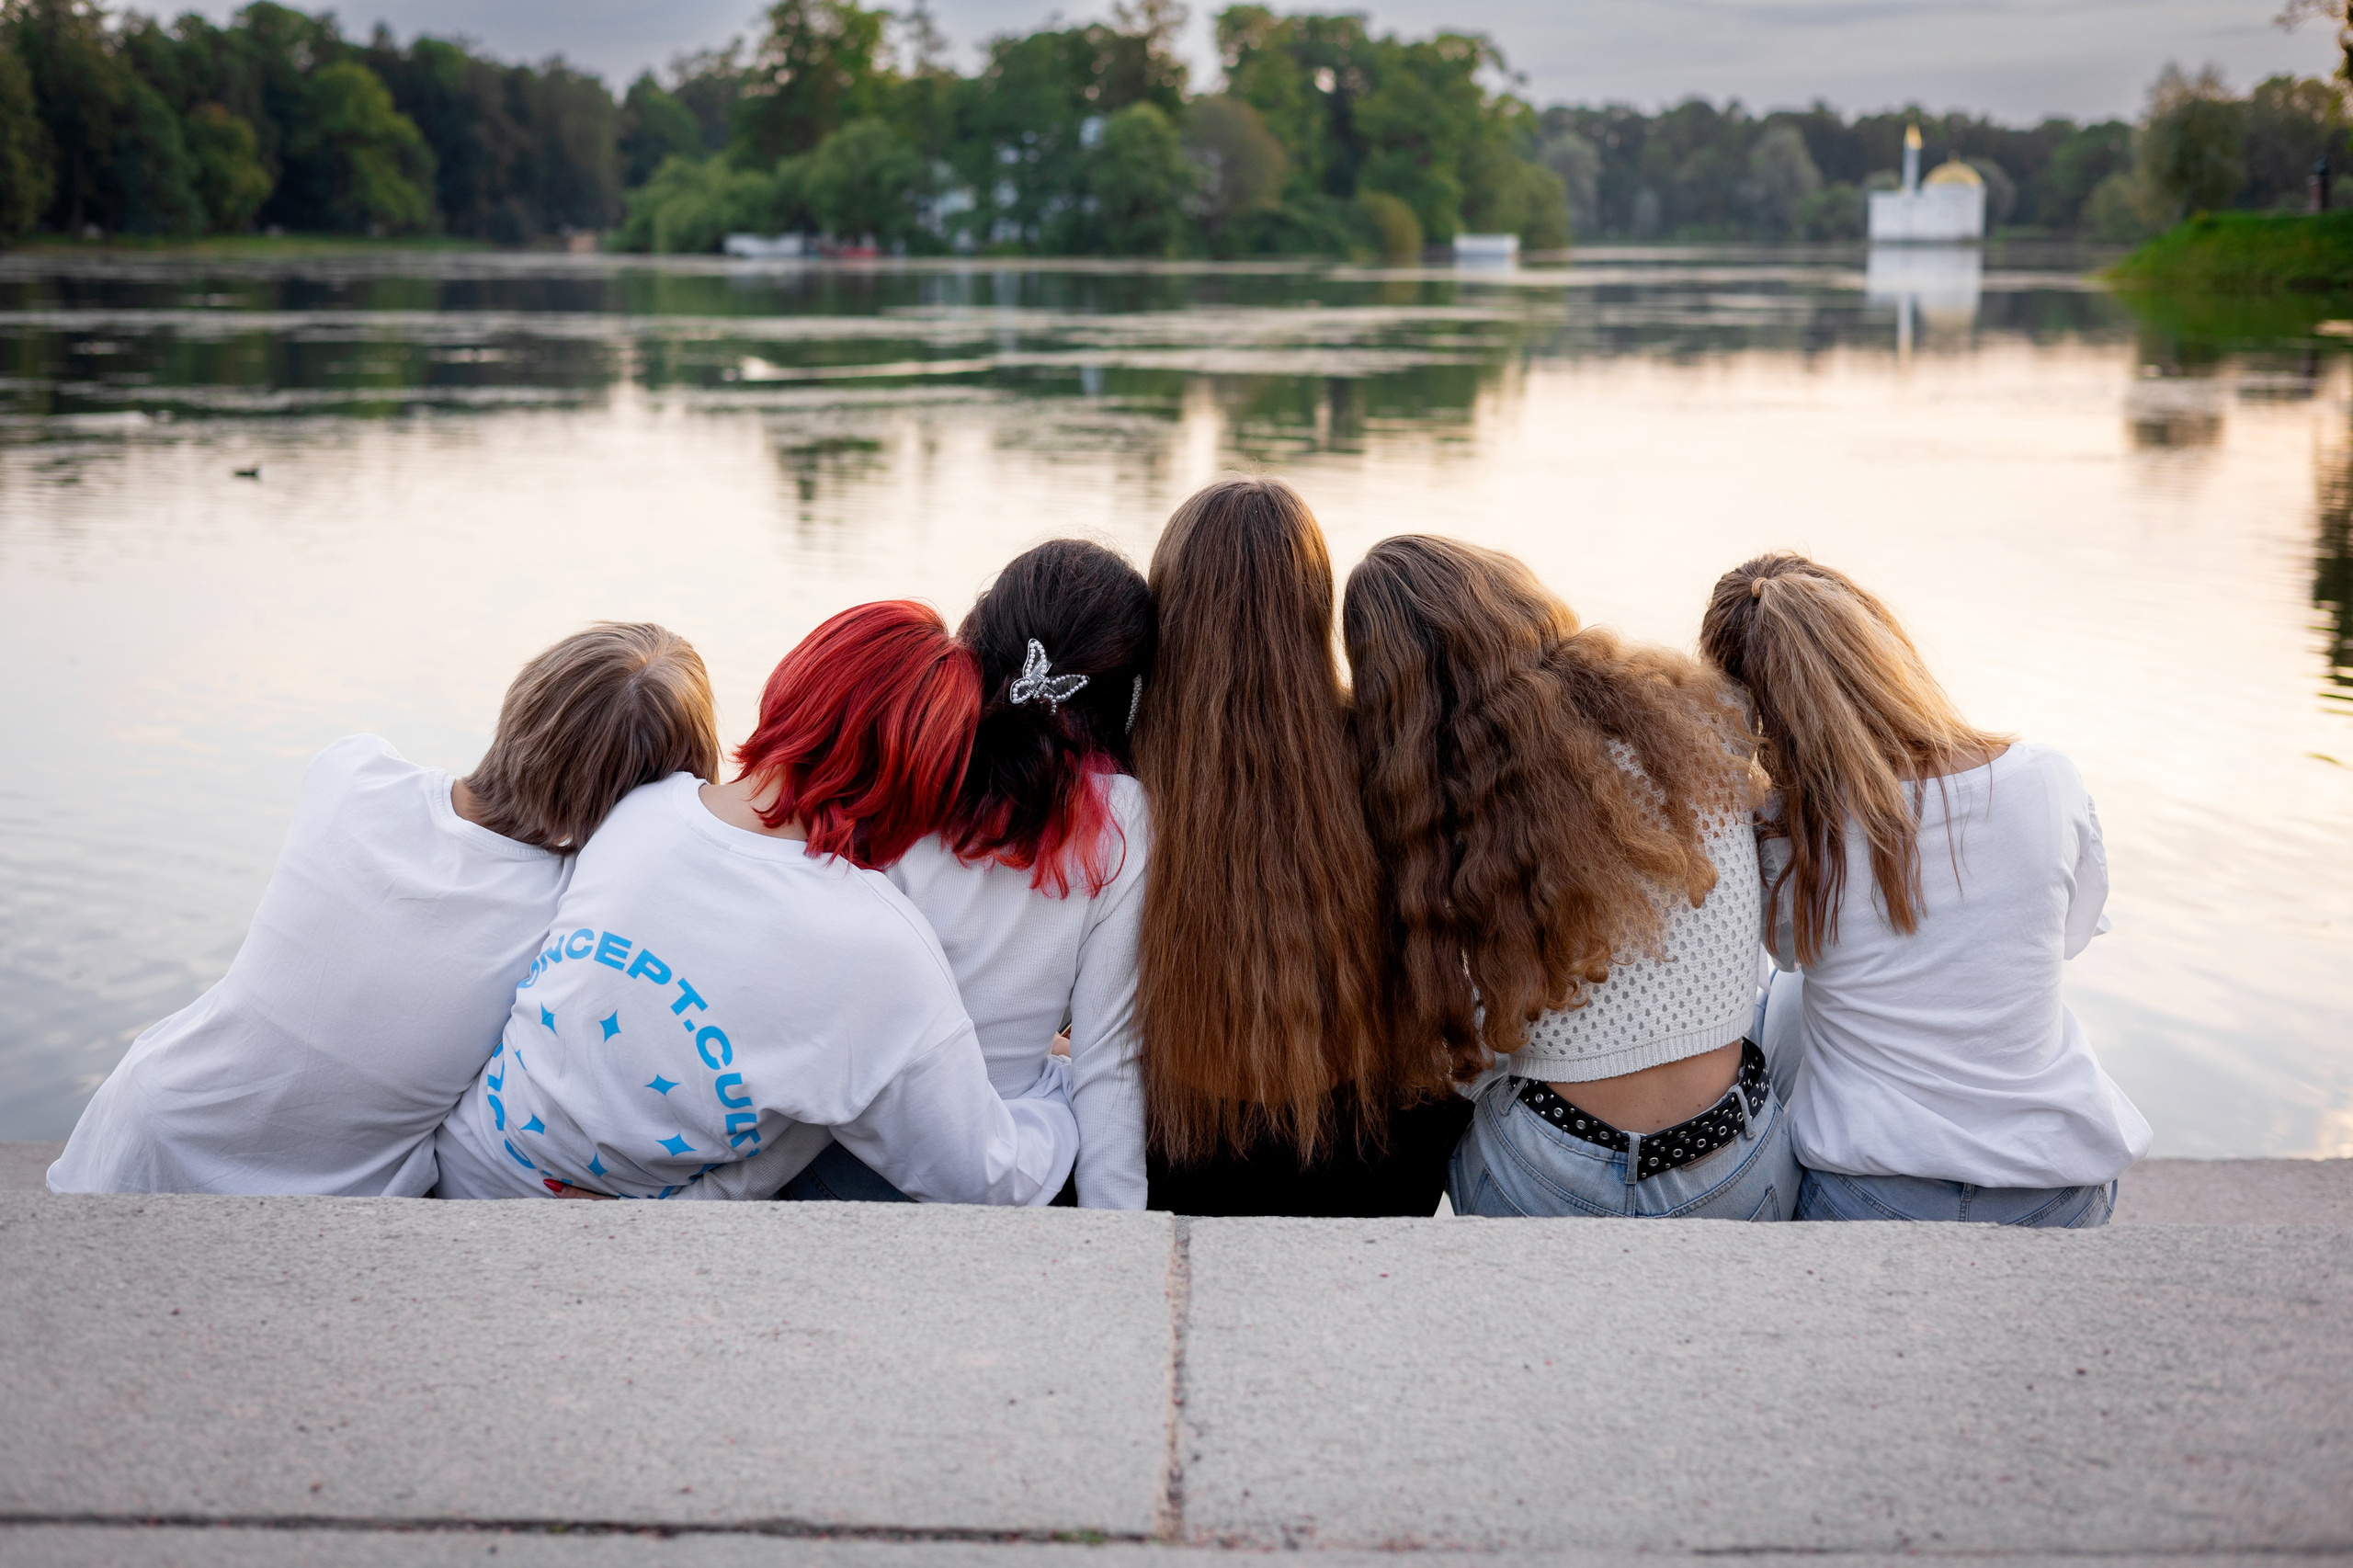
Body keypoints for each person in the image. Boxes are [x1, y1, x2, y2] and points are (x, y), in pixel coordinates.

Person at [432, 601, 1079, 1205]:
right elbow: (987, 1178)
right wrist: (1060, 1090)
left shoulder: (641, 808)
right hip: (596, 1250)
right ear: (925, 776)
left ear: (791, 687)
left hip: (460, 1167)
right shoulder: (881, 946)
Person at [49, 622, 720, 1197]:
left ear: (522, 702)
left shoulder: (351, 774)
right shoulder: (574, 916)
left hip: (152, 1124)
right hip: (323, 1203)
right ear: (659, 791)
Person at [1345, 536, 1802, 1220]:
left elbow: (1463, 1057)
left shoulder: (1452, 816)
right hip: (1734, 1166)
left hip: (1553, 1178)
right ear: (1518, 605)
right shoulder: (1706, 717)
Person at [1699, 552, 2149, 1227]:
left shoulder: (1783, 825)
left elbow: (1786, 957)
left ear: (1744, 706)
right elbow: (2064, 938)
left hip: (1869, 1193)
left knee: (1784, 996)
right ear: (1884, 648)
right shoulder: (2044, 780)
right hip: (2056, 1190)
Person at [781, 540, 1155, 1209]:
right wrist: (1116, 1239)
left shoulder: (917, 753)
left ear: (979, 635)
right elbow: (1108, 1059)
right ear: (1125, 699)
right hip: (1000, 1165)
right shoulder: (1126, 820)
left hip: (840, 1156)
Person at [1135, 478, 1465, 1217]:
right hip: (1373, 1168)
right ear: (1317, 608)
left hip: (1173, 1160)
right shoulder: (1387, 753)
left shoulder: (1128, 772)